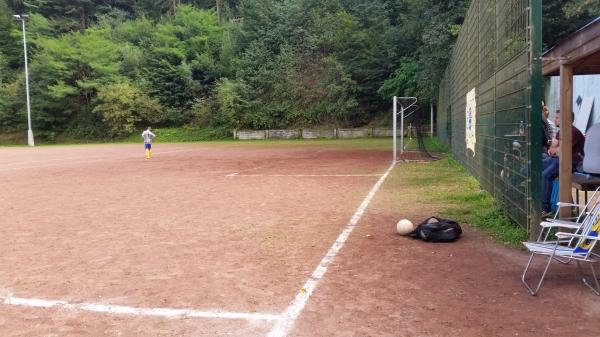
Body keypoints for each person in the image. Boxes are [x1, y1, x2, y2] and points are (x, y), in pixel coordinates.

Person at [541, 110, 585, 216]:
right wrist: (556, 150)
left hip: (572, 163)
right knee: (538, 164)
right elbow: (552, 148)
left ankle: (545, 209)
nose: (555, 119)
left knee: (546, 174)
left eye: (557, 117)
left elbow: (561, 151)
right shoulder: (561, 131)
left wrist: (556, 150)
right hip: (558, 160)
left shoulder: (573, 131)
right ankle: (541, 202)